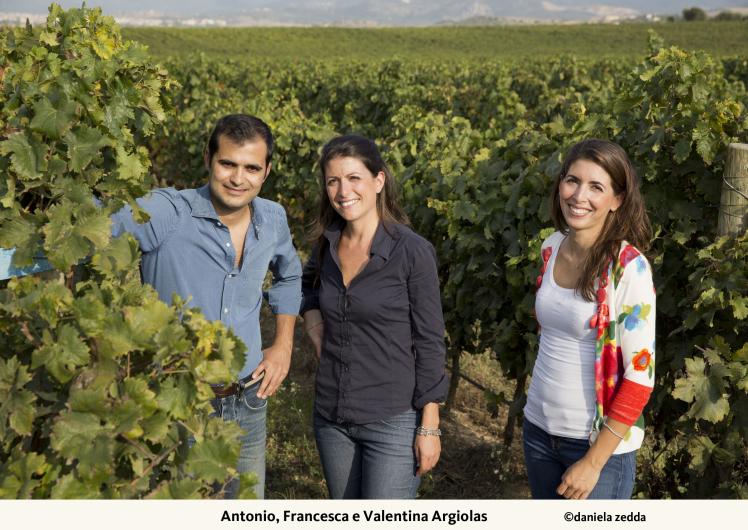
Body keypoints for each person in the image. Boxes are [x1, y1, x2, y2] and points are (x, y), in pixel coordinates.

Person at [111, 114, 302, 499]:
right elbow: (95, 226)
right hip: (178, 403)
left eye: (251, 168)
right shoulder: (167, 212)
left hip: (248, 399)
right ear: (208, 160)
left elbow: (291, 276)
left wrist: (283, 345)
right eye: (227, 163)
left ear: (266, 171)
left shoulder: (273, 218)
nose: (237, 178)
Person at [300, 134, 448, 499]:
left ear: (378, 181)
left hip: (392, 420)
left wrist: (429, 426)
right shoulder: (327, 244)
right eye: (333, 180)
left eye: (354, 178)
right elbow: (306, 285)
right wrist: (313, 319)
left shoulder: (411, 252)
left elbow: (430, 340)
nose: (342, 190)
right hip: (332, 416)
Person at [523, 138, 655, 500]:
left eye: (596, 187)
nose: (579, 195)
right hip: (537, 431)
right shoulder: (550, 247)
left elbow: (640, 377)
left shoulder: (629, 269)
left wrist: (593, 463)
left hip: (596, 448)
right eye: (572, 180)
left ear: (617, 200)